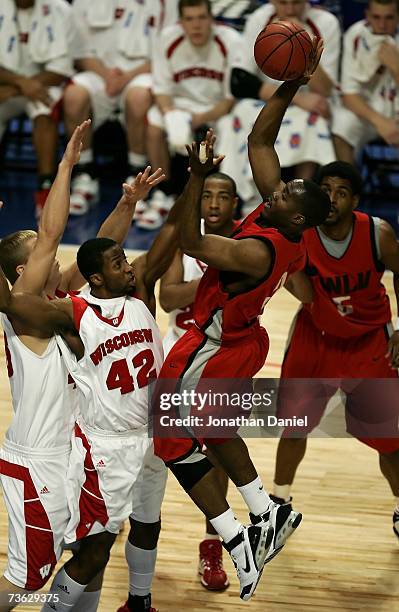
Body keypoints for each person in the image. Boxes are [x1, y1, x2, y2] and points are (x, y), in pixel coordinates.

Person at [151, 39, 331, 601]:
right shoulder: (282, 221)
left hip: (217, 342)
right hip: (236, 338)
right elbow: (259, 138)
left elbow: (191, 239)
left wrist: (195, 178)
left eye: (283, 192)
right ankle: (252, 521)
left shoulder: (259, 251)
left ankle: (247, 526)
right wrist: (295, 81)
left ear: (295, 214)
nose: (274, 189)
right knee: (191, 433)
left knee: (179, 433)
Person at [0, 168, 211, 612]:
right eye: (42, 255)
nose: (56, 260)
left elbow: (94, 254)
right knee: (26, 581)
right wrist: (68, 164)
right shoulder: (26, 311)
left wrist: (127, 203)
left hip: (74, 445)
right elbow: (53, 235)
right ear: (24, 271)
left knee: (90, 550)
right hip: (38, 455)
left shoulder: (56, 298)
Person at [271, 160, 399, 538]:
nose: (331, 199)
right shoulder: (300, 233)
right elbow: (302, 291)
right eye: (325, 190)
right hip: (317, 339)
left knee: (389, 438)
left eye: (341, 192)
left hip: (369, 340)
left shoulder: (378, 233)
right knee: (293, 427)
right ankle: (279, 505)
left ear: (355, 200)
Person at [160, 171, 239, 591]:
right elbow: (168, 298)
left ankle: (213, 544)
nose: (213, 203)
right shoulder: (185, 245)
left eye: (223, 196)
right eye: (206, 195)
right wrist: (212, 282)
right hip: (178, 359)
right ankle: (113, 513)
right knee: (151, 454)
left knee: (220, 458)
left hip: (224, 365)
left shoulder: (247, 245)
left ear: (234, 204)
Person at [219, 0, 339, 213]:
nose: (290, 9)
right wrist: (294, 97)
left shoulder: (326, 22)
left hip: (309, 98)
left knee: (315, 120)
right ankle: (250, 201)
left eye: (296, 2)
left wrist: (306, 49)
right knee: (239, 114)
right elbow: (240, 80)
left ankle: (300, 202)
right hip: (271, 97)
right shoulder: (260, 19)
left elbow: (326, 89)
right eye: (283, 2)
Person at [138, 0, 243, 229]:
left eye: (202, 18)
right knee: (155, 121)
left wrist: (197, 119)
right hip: (179, 105)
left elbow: (229, 99)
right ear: (181, 22)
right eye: (190, 19)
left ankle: (225, 199)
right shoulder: (168, 38)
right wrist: (173, 116)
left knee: (232, 125)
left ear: (211, 19)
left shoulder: (231, 41)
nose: (196, 25)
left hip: (217, 109)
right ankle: (163, 193)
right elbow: (162, 90)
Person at [64, 0, 155, 214]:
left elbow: (165, 50)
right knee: (74, 95)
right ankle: (85, 176)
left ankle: (137, 175)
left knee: (138, 97)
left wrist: (126, 78)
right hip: (99, 74)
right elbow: (77, 52)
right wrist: (108, 77)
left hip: (140, 74)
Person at [0, 0, 79, 216]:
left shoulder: (61, 9)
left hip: (45, 84)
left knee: (45, 112)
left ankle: (45, 189)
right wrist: (20, 83)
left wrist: (20, 88)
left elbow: (63, 67)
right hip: (6, 84)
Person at [332, 0, 399, 163]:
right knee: (341, 124)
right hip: (368, 112)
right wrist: (381, 122)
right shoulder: (355, 35)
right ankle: (348, 187)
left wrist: (396, 67)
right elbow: (348, 94)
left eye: (389, 18)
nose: (382, 25)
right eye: (376, 17)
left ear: (398, 17)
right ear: (367, 15)